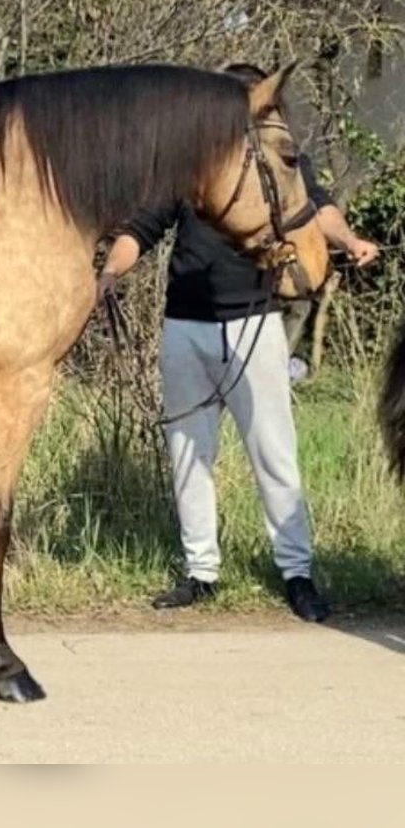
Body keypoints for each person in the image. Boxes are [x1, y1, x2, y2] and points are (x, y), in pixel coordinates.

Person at [96, 63, 380, 623]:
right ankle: (201, 572)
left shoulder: (274, 163)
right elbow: (140, 230)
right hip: (186, 325)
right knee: (188, 453)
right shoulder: (186, 165)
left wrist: (348, 239)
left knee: (274, 452)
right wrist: (105, 275)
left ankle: (296, 572)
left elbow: (317, 209)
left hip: (255, 323)